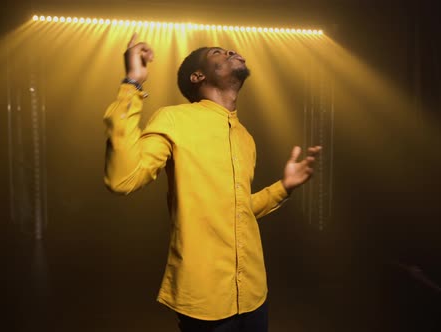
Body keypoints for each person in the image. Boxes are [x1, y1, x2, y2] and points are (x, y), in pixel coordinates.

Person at [103, 33, 322, 332]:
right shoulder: (173, 119)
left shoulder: (246, 138)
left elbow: (238, 211)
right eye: (219, 52)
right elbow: (122, 178)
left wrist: (284, 187)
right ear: (198, 75)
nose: (231, 50)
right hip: (205, 304)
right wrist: (133, 83)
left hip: (255, 296)